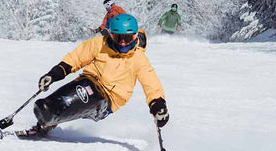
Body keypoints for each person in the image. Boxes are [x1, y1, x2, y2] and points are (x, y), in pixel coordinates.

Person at [17, 13, 169, 138]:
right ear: (111, 35)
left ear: (135, 36)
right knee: (49, 105)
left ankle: (48, 119)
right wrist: (54, 74)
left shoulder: (138, 58)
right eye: (118, 38)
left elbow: (151, 83)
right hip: (87, 81)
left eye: (128, 38)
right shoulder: (100, 44)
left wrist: (158, 105)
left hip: (107, 98)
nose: (123, 43)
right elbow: (76, 57)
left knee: (53, 108)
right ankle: (45, 123)